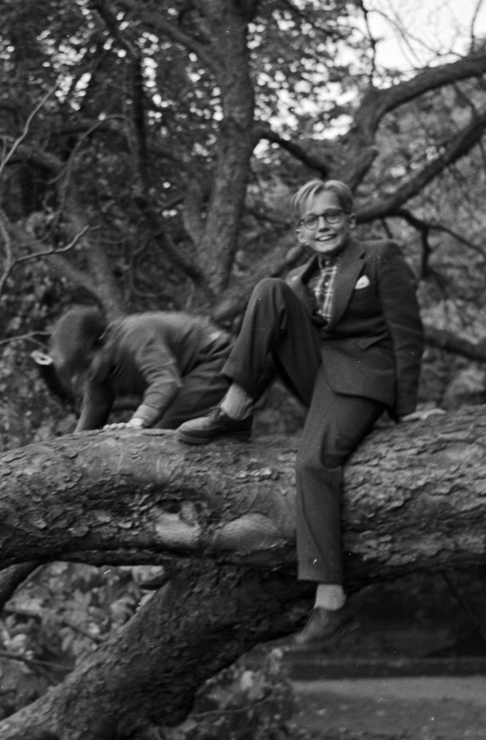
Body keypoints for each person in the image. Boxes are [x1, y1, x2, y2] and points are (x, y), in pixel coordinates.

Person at [176, 179, 425, 649]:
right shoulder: (302, 281)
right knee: (269, 290)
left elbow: (407, 332)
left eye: (332, 215)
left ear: (350, 220)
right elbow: (273, 348)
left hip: (363, 378)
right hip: (319, 376)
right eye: (312, 220)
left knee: (313, 463)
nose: (323, 225)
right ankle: (236, 406)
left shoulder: (380, 255)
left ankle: (330, 599)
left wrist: (405, 410)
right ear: (300, 233)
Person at [47, 307, 232, 432]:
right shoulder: (98, 374)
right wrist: (73, 449)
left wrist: (139, 421)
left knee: (164, 430)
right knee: (160, 430)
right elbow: (94, 410)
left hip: (213, 358)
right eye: (79, 373)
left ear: (104, 341)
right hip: (186, 375)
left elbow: (165, 381)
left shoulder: (135, 335)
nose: (87, 376)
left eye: (87, 367)